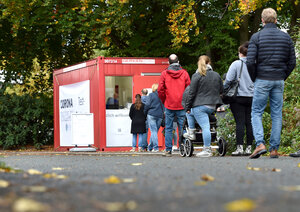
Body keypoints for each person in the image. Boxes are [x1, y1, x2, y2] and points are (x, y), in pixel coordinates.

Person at [246, 8, 296, 159]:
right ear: (275, 20)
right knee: (276, 114)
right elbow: (292, 62)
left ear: (262, 20)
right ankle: (274, 149)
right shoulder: (286, 38)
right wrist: (282, 76)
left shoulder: (257, 37)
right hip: (278, 79)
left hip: (262, 78)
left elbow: (249, 62)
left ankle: (260, 144)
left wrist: (255, 77)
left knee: (256, 112)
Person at [185, 55, 223, 157]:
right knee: (208, 126)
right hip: (212, 107)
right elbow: (221, 91)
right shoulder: (216, 75)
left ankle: (206, 148)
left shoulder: (196, 76)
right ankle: (193, 132)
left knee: (203, 125)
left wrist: (187, 107)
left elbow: (191, 93)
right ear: (209, 63)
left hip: (199, 106)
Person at [224, 41, 254, 156]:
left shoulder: (236, 64)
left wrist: (223, 90)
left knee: (240, 122)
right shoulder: (255, 64)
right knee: (250, 123)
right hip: (252, 97)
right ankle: (249, 148)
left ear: (241, 53)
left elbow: (228, 80)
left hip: (238, 98)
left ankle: (239, 148)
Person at [158, 54, 190, 156]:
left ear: (169, 63)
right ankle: (184, 147)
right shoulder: (184, 73)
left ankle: (168, 149)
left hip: (169, 104)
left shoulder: (164, 73)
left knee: (168, 127)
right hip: (182, 104)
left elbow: (160, 90)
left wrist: (164, 100)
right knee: (183, 127)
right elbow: (189, 89)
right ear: (178, 62)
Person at [144, 83, 164, 152]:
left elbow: (147, 105)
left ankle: (155, 148)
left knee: (153, 131)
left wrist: (145, 113)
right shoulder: (161, 95)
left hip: (151, 114)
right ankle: (150, 147)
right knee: (154, 132)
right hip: (160, 115)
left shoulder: (151, 95)